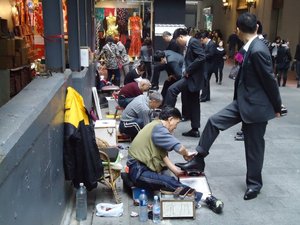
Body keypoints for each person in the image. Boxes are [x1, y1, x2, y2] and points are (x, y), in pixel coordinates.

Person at [177, 13, 282, 201]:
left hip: (256, 107)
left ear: (238, 30)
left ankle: (254, 185)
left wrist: (277, 106)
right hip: (242, 102)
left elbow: (269, 80)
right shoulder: (249, 47)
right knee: (214, 121)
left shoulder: (258, 50)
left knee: (254, 147)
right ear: (256, 27)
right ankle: (198, 160)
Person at [126, 106, 224, 213]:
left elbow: (163, 156)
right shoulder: (159, 128)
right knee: (167, 181)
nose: (175, 128)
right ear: (170, 119)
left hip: (139, 167)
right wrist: (186, 154)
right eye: (176, 124)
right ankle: (204, 198)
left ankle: (193, 194)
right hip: (138, 171)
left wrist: (177, 172)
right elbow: (179, 147)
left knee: (168, 177)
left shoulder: (155, 126)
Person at [164, 28, 206, 138]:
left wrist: (188, 70)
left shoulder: (193, 42)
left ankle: (166, 120)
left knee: (172, 90)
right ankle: (195, 129)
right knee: (194, 102)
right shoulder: (190, 44)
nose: (178, 43)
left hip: (192, 77)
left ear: (181, 37)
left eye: (177, 41)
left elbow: (202, 57)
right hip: (192, 78)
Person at [199, 31, 217, 102]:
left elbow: (211, 54)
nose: (201, 41)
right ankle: (206, 96)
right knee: (205, 81)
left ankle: (204, 97)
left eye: (202, 40)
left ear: (206, 38)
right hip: (206, 65)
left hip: (209, 65)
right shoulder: (205, 44)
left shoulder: (212, 44)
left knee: (205, 81)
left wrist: (202, 56)